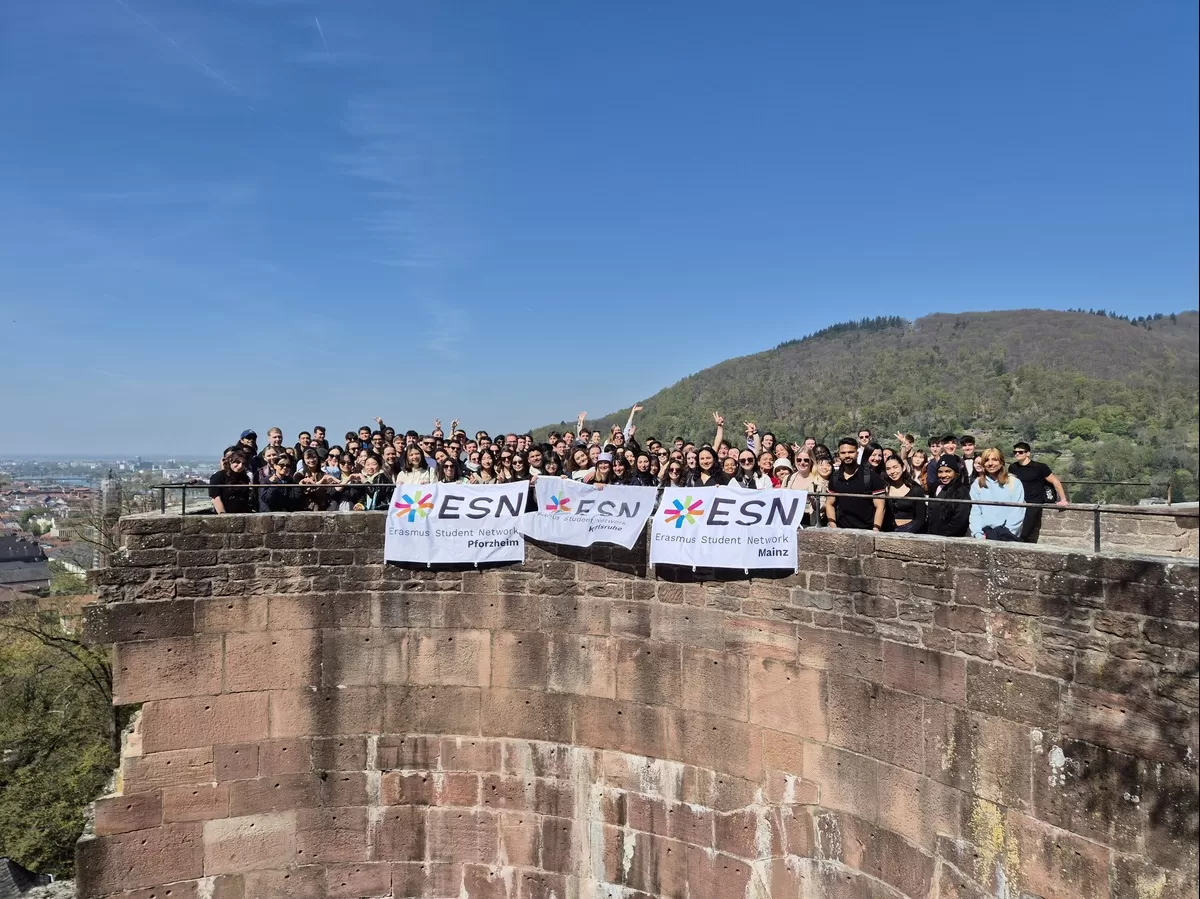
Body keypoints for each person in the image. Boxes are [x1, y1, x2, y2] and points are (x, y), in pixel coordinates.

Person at [1009, 442, 1068, 543]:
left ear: (1028, 453)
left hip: (1034, 503)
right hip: (1018, 501)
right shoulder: (1013, 467)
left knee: (1025, 531)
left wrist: (1063, 500)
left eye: (1020, 452)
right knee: (1012, 528)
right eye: (1015, 452)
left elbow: (1055, 482)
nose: (1017, 454)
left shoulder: (1040, 467)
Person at [826, 437, 885, 530]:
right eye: (843, 453)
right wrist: (833, 527)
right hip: (842, 530)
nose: (847, 455)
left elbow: (881, 506)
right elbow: (830, 503)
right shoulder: (835, 477)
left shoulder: (871, 476)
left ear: (857, 453)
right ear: (839, 454)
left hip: (866, 530)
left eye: (851, 452)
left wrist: (875, 530)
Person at [969, 448, 1025, 540]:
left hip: (1007, 536)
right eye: (987, 460)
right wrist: (977, 533)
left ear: (1001, 462)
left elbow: (1018, 511)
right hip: (984, 535)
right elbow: (975, 511)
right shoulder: (977, 484)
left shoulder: (1014, 483)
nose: (990, 463)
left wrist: (1006, 533)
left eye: (994, 460)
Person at [926, 457, 970, 537]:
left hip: (952, 538)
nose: (943, 475)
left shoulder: (961, 491)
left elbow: (959, 520)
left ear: (955, 472)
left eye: (948, 471)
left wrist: (943, 535)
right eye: (940, 472)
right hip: (933, 536)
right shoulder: (937, 488)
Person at [882, 456, 926, 533]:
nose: (892, 471)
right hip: (888, 530)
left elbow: (920, 519)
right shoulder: (884, 488)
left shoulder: (916, 490)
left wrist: (908, 533)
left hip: (910, 530)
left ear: (903, 467)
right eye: (888, 469)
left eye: (895, 467)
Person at [209, 449, 255, 514]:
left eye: (243, 463)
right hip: (225, 514)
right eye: (237, 462)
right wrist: (224, 516)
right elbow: (216, 498)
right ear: (230, 461)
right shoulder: (219, 476)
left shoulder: (244, 477)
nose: (240, 466)